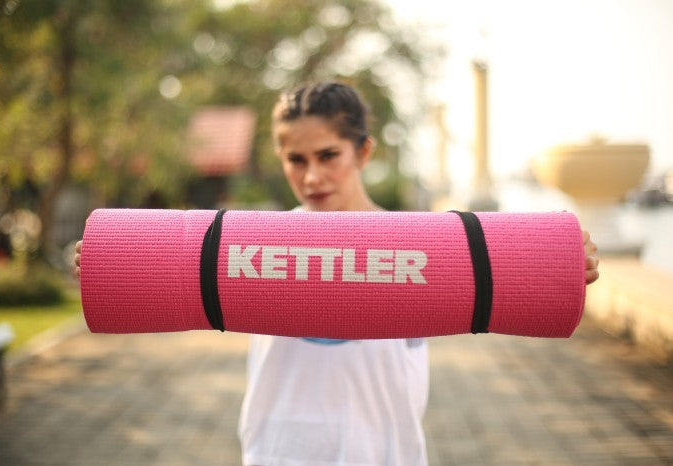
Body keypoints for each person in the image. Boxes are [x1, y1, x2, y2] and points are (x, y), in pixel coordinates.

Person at [75, 82, 600, 466]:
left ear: (363, 151)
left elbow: (510, 275)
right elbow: (164, 272)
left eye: (328, 155)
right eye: (295, 159)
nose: (312, 176)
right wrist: (108, 262)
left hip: (384, 450)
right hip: (279, 450)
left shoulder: (424, 242)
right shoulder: (254, 242)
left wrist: (563, 264)